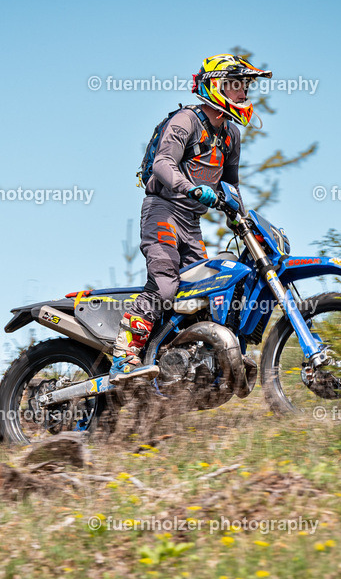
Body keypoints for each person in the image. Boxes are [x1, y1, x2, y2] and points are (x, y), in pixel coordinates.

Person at [110, 54, 272, 377]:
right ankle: (124, 353)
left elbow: (231, 187)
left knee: (209, 293)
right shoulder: (186, 121)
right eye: (237, 86)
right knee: (165, 285)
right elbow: (162, 164)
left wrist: (245, 223)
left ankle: (179, 361)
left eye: (246, 88)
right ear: (216, 87)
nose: (244, 95)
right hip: (163, 211)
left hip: (191, 223)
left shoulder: (231, 137)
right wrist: (193, 188)